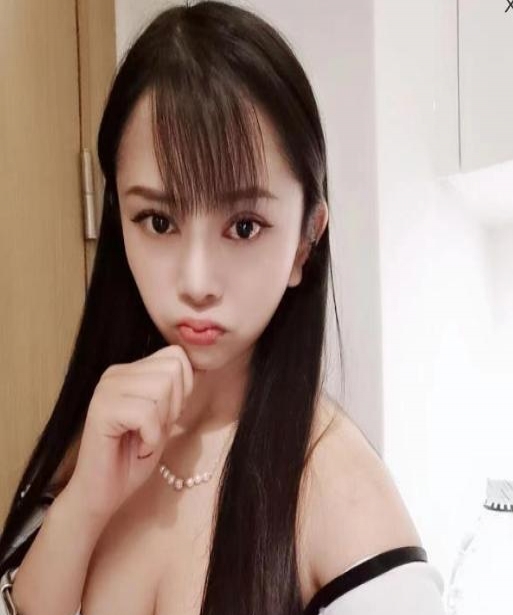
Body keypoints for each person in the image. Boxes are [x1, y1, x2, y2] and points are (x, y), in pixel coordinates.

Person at [0, 2, 446, 614]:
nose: (197, 281)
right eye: (158, 221)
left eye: (243, 226)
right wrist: (84, 505)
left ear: (305, 241)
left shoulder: (344, 501)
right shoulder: (98, 437)